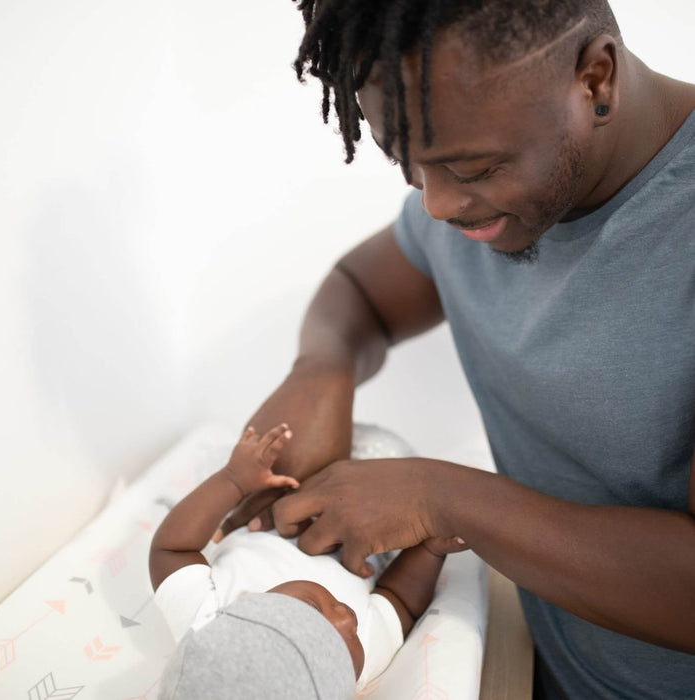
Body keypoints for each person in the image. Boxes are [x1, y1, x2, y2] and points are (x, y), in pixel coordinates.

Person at [217, 1, 695, 698]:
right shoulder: (473, 194)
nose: (436, 205)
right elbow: (363, 291)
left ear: (595, 79)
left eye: (471, 167)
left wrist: (440, 497)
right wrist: (323, 367)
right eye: (407, 163)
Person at [149, 422, 465, 699]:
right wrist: (430, 550)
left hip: (270, 494)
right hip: (372, 509)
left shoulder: (206, 618)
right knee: (395, 462)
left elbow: (172, 548)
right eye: (345, 653)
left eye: (314, 612)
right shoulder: (360, 663)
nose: (347, 619)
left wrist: (233, 480)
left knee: (288, 448)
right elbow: (399, 600)